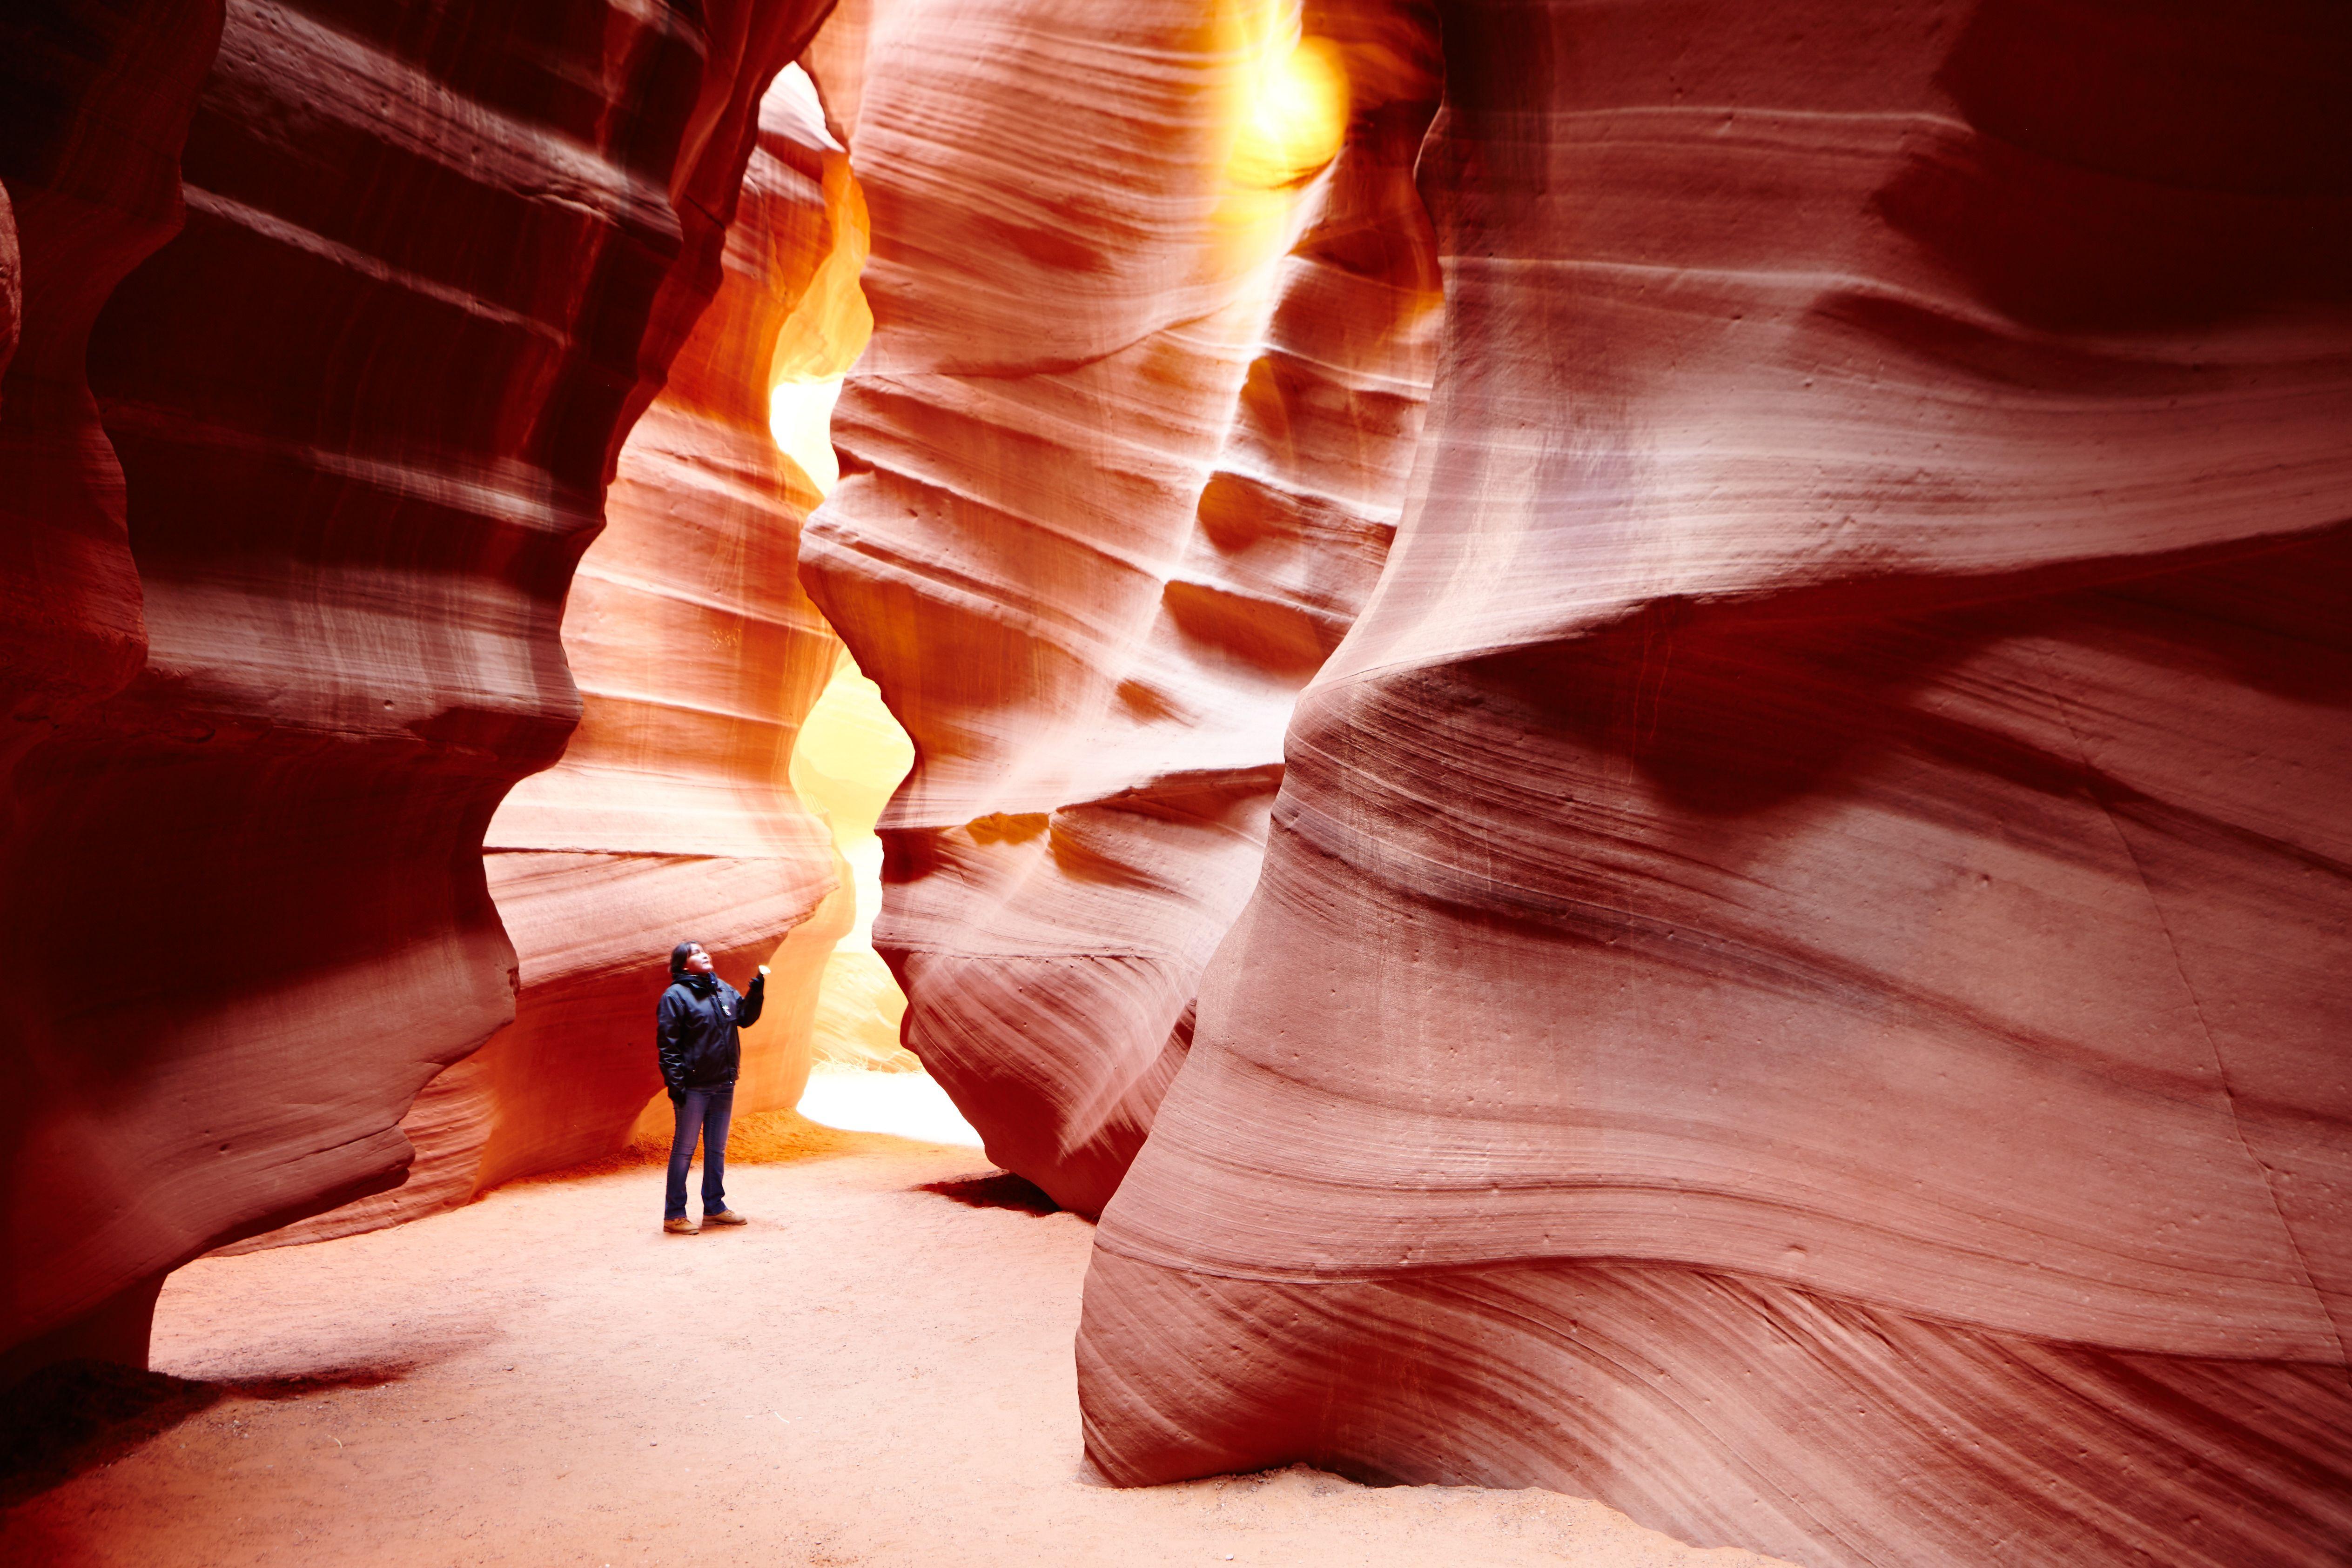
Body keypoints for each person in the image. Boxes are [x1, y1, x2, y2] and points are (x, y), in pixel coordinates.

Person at [655, 940, 766, 1234]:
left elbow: (745, 1019)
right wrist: (676, 1084)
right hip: (693, 1087)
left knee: (716, 1149)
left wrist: (756, 992)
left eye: (704, 951)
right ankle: (674, 1215)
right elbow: (668, 1045)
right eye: (694, 953)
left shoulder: (722, 989)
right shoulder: (675, 996)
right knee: (685, 1149)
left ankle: (715, 1208)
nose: (703, 954)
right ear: (682, 965)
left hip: (724, 1083)